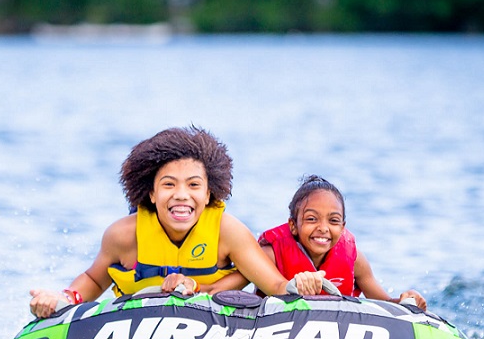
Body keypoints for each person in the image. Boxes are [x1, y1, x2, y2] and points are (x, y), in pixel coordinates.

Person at [29, 127, 325, 318]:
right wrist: (64, 297)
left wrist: (300, 283)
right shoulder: (123, 235)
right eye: (169, 185)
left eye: (194, 185)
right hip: (136, 328)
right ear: (151, 193)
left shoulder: (228, 232)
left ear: (209, 193)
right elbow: (94, 280)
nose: (182, 195)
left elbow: (274, 284)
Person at [214, 175, 427, 310]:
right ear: (293, 225)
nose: (323, 228)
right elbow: (223, 290)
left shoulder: (355, 260)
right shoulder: (270, 254)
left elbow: (385, 303)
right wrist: (194, 288)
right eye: (311, 219)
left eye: (333, 221)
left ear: (343, 228)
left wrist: (407, 301)